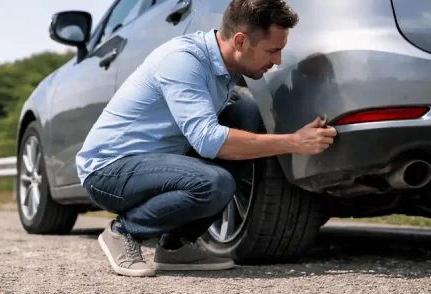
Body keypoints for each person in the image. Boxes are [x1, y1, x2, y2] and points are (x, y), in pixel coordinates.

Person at [75, 0, 337, 277]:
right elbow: (209, 141)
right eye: (272, 50)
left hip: (158, 162)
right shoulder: (183, 60)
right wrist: (293, 142)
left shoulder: (226, 67)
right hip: (108, 170)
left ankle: (175, 246)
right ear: (240, 41)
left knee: (246, 113)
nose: (278, 61)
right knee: (214, 183)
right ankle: (124, 231)